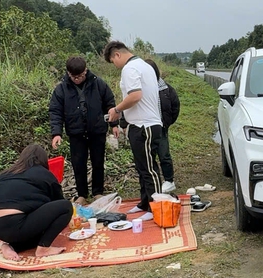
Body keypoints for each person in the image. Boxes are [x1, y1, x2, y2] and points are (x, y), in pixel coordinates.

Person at [103, 41, 162, 222]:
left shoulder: (130, 69)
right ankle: (145, 202)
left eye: (113, 61)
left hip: (145, 125)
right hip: (141, 124)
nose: (115, 65)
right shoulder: (144, 66)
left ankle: (156, 206)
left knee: (149, 169)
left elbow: (135, 95)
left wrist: (116, 110)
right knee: (143, 167)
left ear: (117, 55)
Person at [49, 56, 120, 205]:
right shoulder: (61, 89)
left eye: (80, 76)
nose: (77, 79)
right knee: (78, 163)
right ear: (68, 73)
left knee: (98, 162)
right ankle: (81, 194)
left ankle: (98, 192)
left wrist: (114, 124)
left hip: (97, 130)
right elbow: (55, 111)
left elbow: (110, 103)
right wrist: (56, 133)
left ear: (85, 70)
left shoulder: (98, 84)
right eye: (74, 77)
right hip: (76, 133)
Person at [0, 144, 73, 261]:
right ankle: (43, 249)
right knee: (66, 207)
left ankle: (11, 246)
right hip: (15, 224)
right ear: (43, 160)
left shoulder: (6, 173)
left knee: (39, 231)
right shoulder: (43, 173)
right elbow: (59, 202)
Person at [144, 59, 181, 193]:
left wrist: (167, 122)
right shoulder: (140, 89)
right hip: (146, 127)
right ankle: (153, 181)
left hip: (161, 127)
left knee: (164, 154)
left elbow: (175, 106)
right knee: (149, 156)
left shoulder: (166, 89)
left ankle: (169, 180)